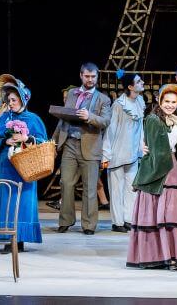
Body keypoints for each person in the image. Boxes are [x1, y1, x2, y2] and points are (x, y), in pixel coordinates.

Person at [127, 84, 177, 269]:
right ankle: (158, 257)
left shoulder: (174, 120)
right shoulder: (153, 119)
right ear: (159, 101)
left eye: (173, 102)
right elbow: (162, 148)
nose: (170, 105)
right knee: (157, 216)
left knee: (169, 216)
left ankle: (171, 256)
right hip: (159, 170)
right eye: (166, 101)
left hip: (171, 169)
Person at [0, 77, 47, 250]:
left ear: (22, 99)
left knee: (23, 202)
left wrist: (27, 138)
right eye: (8, 100)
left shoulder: (33, 119)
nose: (10, 103)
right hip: (6, 166)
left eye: (13, 100)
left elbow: (45, 143)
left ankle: (20, 240)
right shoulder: (2, 119)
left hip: (26, 167)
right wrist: (5, 142)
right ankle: (7, 238)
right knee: (6, 200)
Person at [52, 62, 112, 234]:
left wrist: (89, 116)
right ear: (81, 75)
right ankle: (66, 220)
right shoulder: (72, 93)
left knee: (90, 187)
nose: (90, 79)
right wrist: (54, 141)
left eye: (93, 77)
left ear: (97, 77)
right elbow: (63, 118)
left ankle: (88, 225)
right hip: (70, 143)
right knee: (66, 183)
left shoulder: (103, 99)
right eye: (87, 76)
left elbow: (105, 121)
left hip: (90, 146)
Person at [102, 73, 145, 233]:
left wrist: (141, 147)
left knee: (131, 189)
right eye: (139, 81)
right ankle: (117, 221)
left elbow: (140, 127)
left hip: (132, 152)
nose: (143, 83)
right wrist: (106, 154)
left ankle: (129, 219)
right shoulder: (119, 105)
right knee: (116, 189)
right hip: (117, 152)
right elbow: (110, 130)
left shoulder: (140, 101)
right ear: (130, 87)